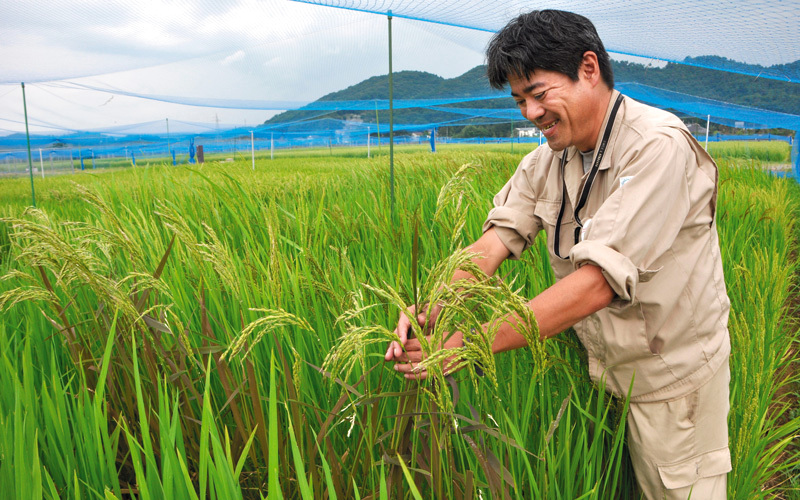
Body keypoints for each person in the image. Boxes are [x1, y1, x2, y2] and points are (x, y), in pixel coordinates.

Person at [384, 10, 731, 500]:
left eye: (539, 93)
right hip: (597, 372)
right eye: (519, 100)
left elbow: (596, 282)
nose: (530, 113)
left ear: (589, 68)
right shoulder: (549, 158)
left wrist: (466, 344)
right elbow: (492, 243)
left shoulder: (658, 148)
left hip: (668, 382)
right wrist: (434, 310)